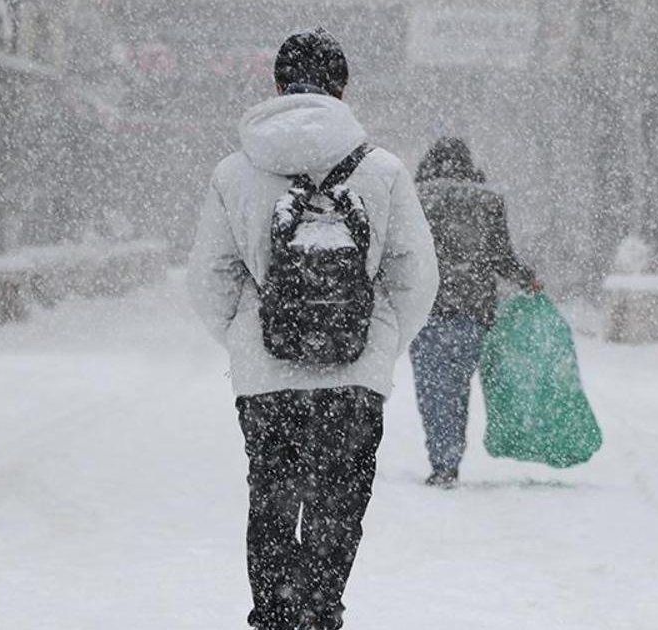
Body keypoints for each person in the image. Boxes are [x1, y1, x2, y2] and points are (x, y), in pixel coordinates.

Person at [186, 29, 438, 630]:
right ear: (342, 89)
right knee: (337, 506)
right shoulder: (383, 171)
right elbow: (416, 277)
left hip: (266, 378)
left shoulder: (233, 173)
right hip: (354, 374)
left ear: (277, 85)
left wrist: (248, 337)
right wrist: (378, 343)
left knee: (272, 502)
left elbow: (209, 280)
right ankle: (320, 613)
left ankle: (275, 616)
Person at [409, 137, 541, 489]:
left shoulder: (414, 199)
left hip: (425, 311)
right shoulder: (488, 201)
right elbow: (501, 256)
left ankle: (442, 460)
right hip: (472, 312)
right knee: (456, 388)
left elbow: (401, 254)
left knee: (432, 391)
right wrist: (527, 279)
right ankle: (451, 456)